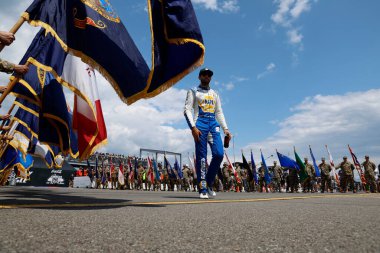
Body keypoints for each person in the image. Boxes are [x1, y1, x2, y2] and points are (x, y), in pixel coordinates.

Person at [184, 68, 231, 199]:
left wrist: (226, 129)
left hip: (213, 124)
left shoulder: (215, 94)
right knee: (202, 158)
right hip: (200, 124)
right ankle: (202, 187)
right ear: (199, 77)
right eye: (204, 74)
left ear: (211, 78)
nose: (206, 77)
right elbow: (186, 110)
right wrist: (193, 128)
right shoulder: (193, 91)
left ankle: (209, 183)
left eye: (209, 75)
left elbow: (219, 112)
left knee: (219, 154)